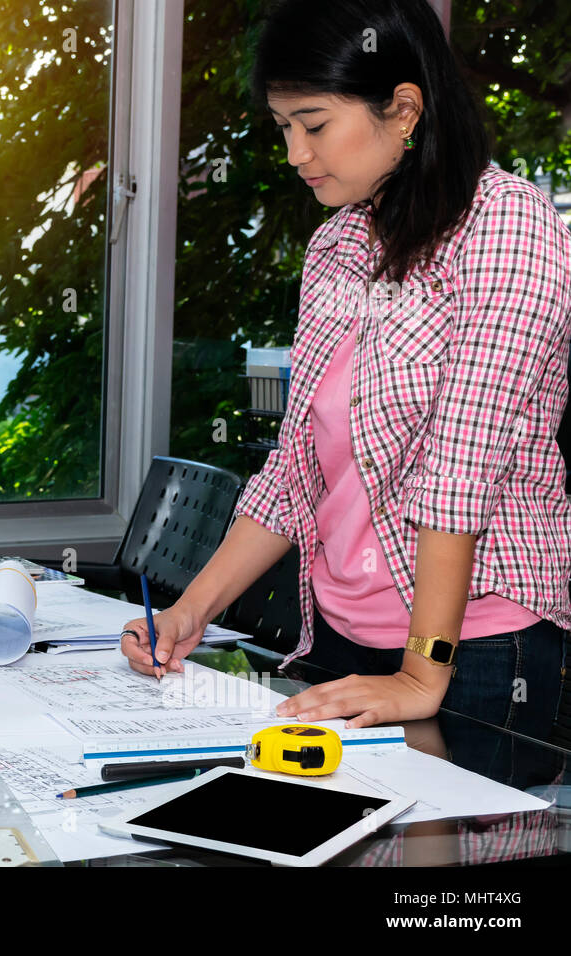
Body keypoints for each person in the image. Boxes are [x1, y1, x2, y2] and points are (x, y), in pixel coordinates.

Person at [121, 0, 571, 740]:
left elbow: (459, 468)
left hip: (478, 650)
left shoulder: (509, 226)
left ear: (403, 110)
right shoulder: (336, 247)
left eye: (315, 124)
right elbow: (297, 470)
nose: (296, 153)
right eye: (283, 128)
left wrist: (423, 674)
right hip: (338, 633)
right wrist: (188, 612)